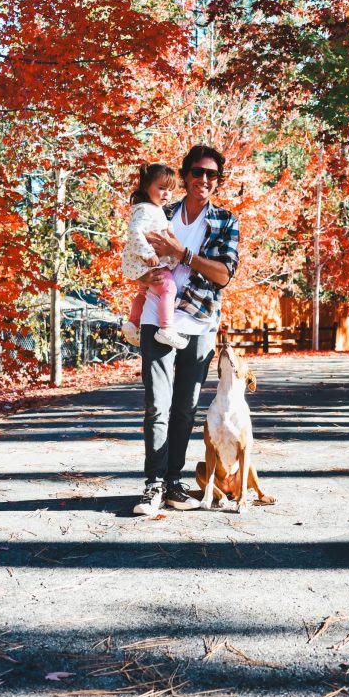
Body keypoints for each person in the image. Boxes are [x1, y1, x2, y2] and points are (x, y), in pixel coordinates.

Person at [133, 144, 240, 516]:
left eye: (212, 174)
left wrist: (184, 255)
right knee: (157, 405)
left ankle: (174, 483)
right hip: (156, 318)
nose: (204, 180)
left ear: (218, 181)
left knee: (184, 409)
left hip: (199, 322)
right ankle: (153, 485)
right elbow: (133, 253)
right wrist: (140, 275)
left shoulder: (225, 221)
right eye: (197, 172)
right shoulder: (161, 212)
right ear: (186, 175)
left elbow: (225, 274)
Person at [120, 163, 188, 352]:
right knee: (168, 288)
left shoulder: (153, 209)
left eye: (170, 190)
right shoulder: (146, 209)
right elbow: (134, 232)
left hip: (146, 262)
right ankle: (166, 328)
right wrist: (148, 254)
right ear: (146, 187)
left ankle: (133, 324)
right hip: (149, 262)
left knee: (143, 293)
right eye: (161, 188)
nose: (166, 194)